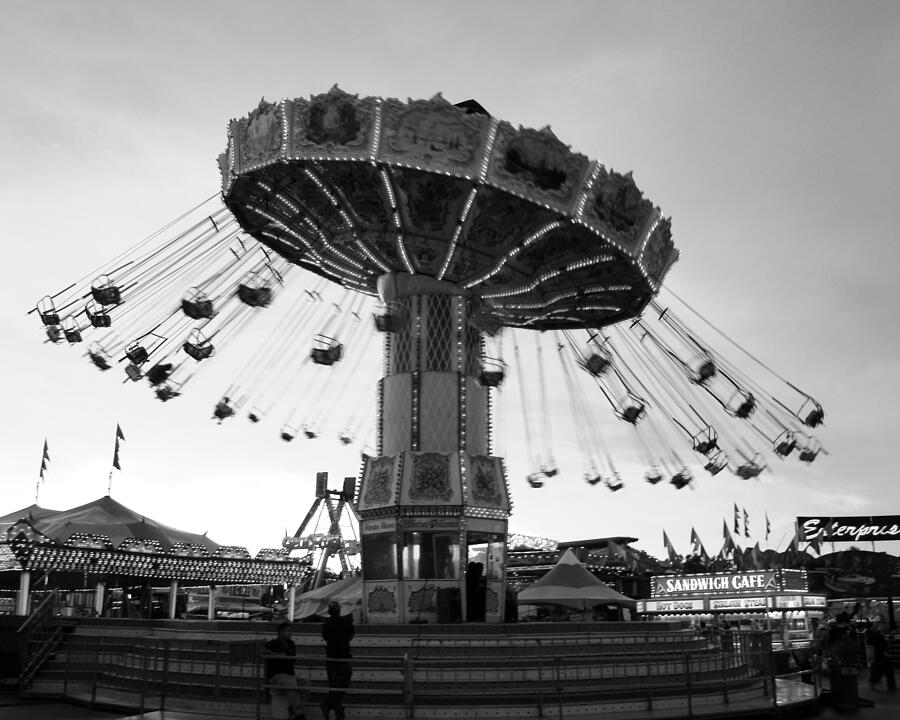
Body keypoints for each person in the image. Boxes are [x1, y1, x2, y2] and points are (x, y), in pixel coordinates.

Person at [265, 622, 308, 720]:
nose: (291, 633)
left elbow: (293, 659)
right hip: (277, 675)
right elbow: (263, 650)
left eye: (291, 631)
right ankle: (299, 713)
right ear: (281, 632)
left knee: (306, 684)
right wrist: (277, 655)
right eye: (288, 631)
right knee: (290, 685)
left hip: (290, 674)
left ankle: (294, 708)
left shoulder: (291, 644)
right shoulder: (273, 643)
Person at [321, 600, 354, 720]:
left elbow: (326, 637)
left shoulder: (327, 624)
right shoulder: (346, 622)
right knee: (341, 684)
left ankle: (332, 706)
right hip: (343, 656)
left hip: (332, 658)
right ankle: (337, 710)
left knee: (335, 685)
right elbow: (350, 635)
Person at [867, 621, 896, 691]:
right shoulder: (876, 635)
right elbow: (877, 646)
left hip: (882, 654)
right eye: (881, 625)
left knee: (886, 670)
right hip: (880, 655)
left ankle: (891, 686)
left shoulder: (879, 634)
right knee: (880, 670)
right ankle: (873, 682)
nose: (883, 626)